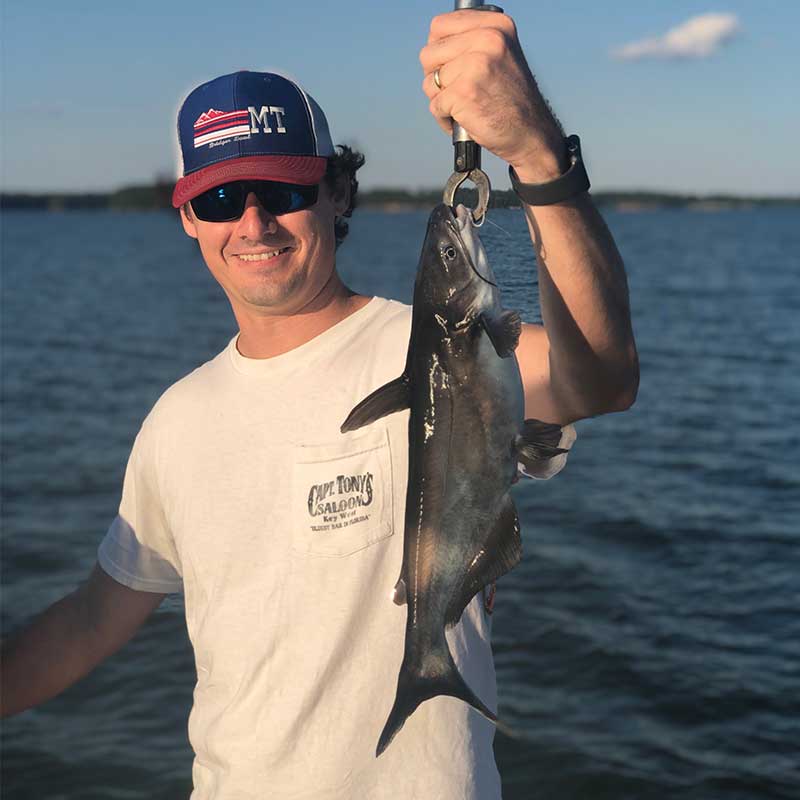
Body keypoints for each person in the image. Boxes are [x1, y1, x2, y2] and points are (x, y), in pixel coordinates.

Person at [0, 10, 638, 799]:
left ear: (337, 191)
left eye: (282, 188)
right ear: (189, 218)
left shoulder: (444, 352)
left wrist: (537, 155)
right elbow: (96, 616)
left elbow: (602, 379)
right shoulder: (177, 419)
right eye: (224, 196)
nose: (254, 221)